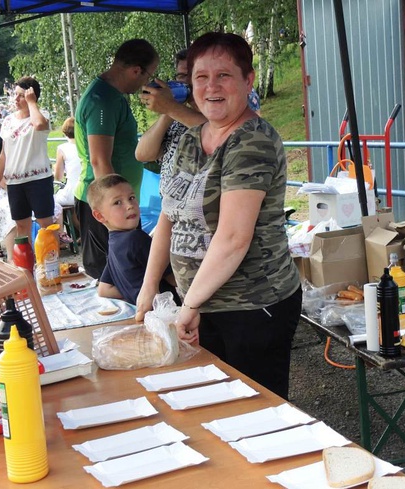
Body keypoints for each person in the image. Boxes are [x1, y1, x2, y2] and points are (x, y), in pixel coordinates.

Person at [135, 32, 301, 399]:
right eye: (200, 77)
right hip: (200, 302)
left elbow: (233, 239)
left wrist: (190, 303)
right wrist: (148, 287)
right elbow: (168, 215)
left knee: (256, 414)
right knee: (213, 407)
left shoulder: (252, 141)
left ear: (248, 80)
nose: (211, 87)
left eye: (224, 75)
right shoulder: (192, 137)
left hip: (254, 306)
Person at [74, 38, 159, 279]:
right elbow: (100, 161)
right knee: (111, 275)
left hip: (115, 204)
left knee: (127, 273)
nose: (147, 82)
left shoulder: (111, 96)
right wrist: (114, 211)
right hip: (107, 205)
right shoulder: (102, 101)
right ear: (136, 70)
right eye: (149, 75)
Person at [87, 174, 177, 304]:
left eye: (132, 198)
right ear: (99, 216)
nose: (130, 205)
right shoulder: (137, 239)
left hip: (144, 312)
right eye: (118, 202)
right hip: (167, 313)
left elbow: (104, 289)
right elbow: (174, 279)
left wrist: (135, 294)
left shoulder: (113, 244)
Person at [0, 76, 54, 244]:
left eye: (21, 95)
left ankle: (48, 266)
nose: (16, 99)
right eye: (15, 94)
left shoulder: (42, 115)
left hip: (39, 179)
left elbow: (39, 125)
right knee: (21, 225)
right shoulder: (8, 120)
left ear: (30, 96)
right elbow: (4, 153)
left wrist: (32, 103)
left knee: (46, 225)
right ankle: (25, 266)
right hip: (15, 181)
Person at [136, 49, 207, 192]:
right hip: (169, 210)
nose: (188, 81)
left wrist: (171, 108)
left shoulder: (220, 114)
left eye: (195, 75)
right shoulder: (175, 114)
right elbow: (143, 154)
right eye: (182, 76)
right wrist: (169, 109)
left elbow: (217, 134)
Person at [53, 116, 82, 207]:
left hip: (71, 193)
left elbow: (58, 177)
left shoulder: (62, 148)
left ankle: (62, 221)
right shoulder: (87, 147)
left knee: (54, 201)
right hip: (87, 192)